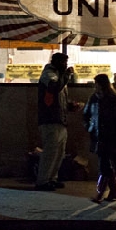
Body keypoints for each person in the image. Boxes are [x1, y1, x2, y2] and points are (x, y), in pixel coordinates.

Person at [35, 52, 80, 191]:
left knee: (59, 153)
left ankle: (51, 178)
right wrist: (67, 75)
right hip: (50, 120)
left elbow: (59, 98)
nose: (66, 65)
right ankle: (42, 181)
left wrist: (69, 105)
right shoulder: (48, 74)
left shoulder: (59, 76)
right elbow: (54, 88)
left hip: (60, 120)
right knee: (50, 152)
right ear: (57, 63)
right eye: (64, 63)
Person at [83, 74, 116, 203]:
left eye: (97, 84)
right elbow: (86, 114)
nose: (95, 86)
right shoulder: (105, 99)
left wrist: (90, 127)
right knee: (106, 165)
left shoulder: (111, 100)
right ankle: (111, 192)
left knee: (105, 166)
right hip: (103, 137)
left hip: (108, 137)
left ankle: (102, 193)